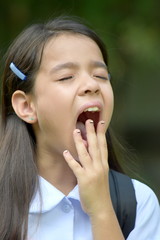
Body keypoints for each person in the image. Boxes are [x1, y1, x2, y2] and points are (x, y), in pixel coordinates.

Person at [0, 16, 160, 240]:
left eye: (101, 76)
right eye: (66, 77)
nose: (92, 85)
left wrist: (102, 209)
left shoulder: (138, 202)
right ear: (26, 106)